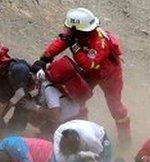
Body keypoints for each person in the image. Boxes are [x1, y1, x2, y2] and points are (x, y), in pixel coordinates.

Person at [33, 8, 131, 143]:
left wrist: (75, 47)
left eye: (70, 30)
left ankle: (125, 139)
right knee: (77, 97)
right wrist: (44, 58)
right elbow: (61, 42)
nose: (68, 32)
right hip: (90, 74)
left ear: (79, 30)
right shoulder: (77, 35)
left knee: (115, 106)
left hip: (110, 76)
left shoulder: (100, 43)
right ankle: (78, 131)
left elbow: (89, 64)